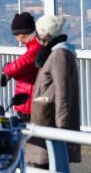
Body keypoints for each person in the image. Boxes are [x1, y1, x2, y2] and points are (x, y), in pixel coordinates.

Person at [26, 15, 81, 167]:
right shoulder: (56, 52)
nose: (36, 38)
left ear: (45, 35)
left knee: (50, 164)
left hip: (50, 121)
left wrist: (61, 127)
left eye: (37, 35)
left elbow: (62, 91)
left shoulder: (58, 55)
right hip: (47, 119)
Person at [0, 12, 40, 121]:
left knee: (30, 137)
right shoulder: (34, 46)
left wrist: (6, 69)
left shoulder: (36, 48)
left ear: (22, 33)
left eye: (16, 35)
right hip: (27, 101)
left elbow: (16, 67)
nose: (17, 39)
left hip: (29, 103)